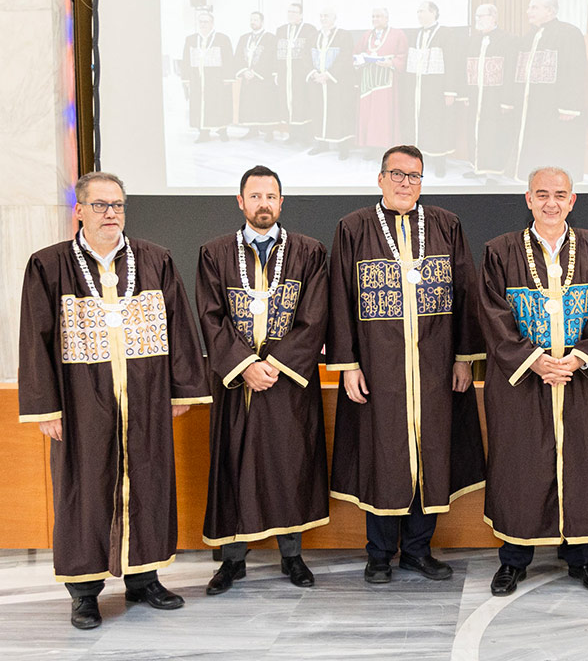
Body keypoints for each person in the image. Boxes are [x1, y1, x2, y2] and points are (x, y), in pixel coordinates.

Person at [18, 171, 210, 629]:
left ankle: (144, 579)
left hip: (145, 397)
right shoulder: (49, 265)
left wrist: (181, 389)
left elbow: (180, 325)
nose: (111, 214)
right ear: (79, 211)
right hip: (83, 401)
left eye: (118, 205)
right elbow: (34, 339)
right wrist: (47, 408)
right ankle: (84, 592)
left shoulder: (155, 259)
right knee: (84, 490)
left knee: (148, 481)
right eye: (101, 205)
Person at [327, 145, 486, 584]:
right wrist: (349, 364)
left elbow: (465, 292)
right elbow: (339, 296)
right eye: (397, 174)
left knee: (431, 453)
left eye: (414, 176)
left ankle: (418, 549)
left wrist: (462, 359)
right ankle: (378, 554)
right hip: (378, 367)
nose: (405, 183)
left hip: (436, 365)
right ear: (380, 179)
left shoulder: (445, 225)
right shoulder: (353, 228)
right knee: (382, 454)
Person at [478, 166, 588, 596]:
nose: (551, 203)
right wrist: (535, 360)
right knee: (518, 465)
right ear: (527, 199)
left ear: (573, 200)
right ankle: (513, 560)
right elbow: (492, 314)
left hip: (577, 379)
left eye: (560, 194)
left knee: (580, 462)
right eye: (542, 194)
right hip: (521, 382)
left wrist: (579, 359)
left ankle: (582, 558)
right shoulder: (499, 252)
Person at [195, 165, 330, 594]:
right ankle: (232, 562)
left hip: (287, 382)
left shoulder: (309, 252)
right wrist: (245, 366)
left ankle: (292, 556)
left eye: (271, 196)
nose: (263, 204)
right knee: (233, 463)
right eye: (255, 196)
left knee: (290, 464)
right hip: (236, 383)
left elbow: (314, 318)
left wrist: (272, 365)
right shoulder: (214, 253)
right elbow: (210, 317)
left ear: (281, 202)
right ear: (240, 201)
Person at [503, 0, 587, 182]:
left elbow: (575, 71)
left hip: (554, 105)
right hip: (531, 106)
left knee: (553, 147)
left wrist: (570, 106)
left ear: (550, 11)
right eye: (529, 7)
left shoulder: (568, 33)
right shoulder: (530, 36)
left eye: (534, 7)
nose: (528, 11)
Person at [456, 3, 517, 181]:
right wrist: (466, 94)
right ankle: (477, 168)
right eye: (476, 17)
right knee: (475, 131)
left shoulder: (507, 40)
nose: (478, 20)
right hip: (476, 97)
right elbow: (465, 69)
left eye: (481, 16)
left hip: (495, 98)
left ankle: (493, 172)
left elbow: (511, 71)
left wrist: (507, 100)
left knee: (493, 134)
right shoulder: (473, 41)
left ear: (494, 17)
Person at [404, 1, 456, 177]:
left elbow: (452, 63)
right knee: (419, 124)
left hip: (436, 89)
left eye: (422, 11)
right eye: (417, 11)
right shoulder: (415, 34)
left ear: (433, 12)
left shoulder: (446, 34)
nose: (419, 15)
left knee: (436, 124)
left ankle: (440, 162)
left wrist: (450, 91)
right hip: (417, 89)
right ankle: (418, 162)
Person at [354, 7, 408, 153]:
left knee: (383, 115)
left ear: (387, 18)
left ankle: (386, 148)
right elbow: (357, 53)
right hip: (368, 81)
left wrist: (391, 63)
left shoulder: (397, 34)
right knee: (368, 114)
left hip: (386, 82)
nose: (375, 19)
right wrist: (360, 59)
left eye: (378, 16)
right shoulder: (367, 35)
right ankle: (370, 148)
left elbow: (403, 55)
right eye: (373, 17)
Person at [306, 7, 356, 157]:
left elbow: (345, 57)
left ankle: (343, 147)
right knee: (319, 111)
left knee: (339, 113)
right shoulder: (313, 36)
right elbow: (305, 56)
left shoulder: (344, 35)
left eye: (326, 16)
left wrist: (329, 74)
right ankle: (322, 143)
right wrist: (314, 73)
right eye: (321, 16)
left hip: (337, 83)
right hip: (317, 82)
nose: (323, 19)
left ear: (334, 18)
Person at [180, 8, 233, 141]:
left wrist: (228, 77)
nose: (203, 24)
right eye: (201, 22)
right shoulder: (191, 39)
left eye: (206, 22)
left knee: (218, 104)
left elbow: (228, 59)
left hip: (217, 79)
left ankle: (222, 130)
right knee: (199, 105)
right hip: (197, 79)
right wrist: (186, 78)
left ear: (212, 23)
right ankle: (203, 132)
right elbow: (186, 60)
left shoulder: (222, 38)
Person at [275, 2, 317, 145]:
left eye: (294, 12)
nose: (291, 15)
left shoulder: (309, 30)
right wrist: (276, 73)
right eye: (289, 12)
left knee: (302, 103)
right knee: (288, 104)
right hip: (285, 74)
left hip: (301, 74)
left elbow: (312, 52)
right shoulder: (281, 30)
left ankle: (305, 136)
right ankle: (293, 134)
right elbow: (276, 53)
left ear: (301, 15)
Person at [232, 11, 279, 137]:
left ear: (262, 22)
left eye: (256, 20)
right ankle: (253, 131)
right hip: (248, 78)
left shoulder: (271, 38)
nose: (253, 22)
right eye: (251, 20)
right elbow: (238, 57)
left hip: (263, 78)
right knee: (249, 105)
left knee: (265, 105)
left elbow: (270, 58)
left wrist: (255, 72)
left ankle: (269, 132)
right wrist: (244, 71)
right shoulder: (244, 38)